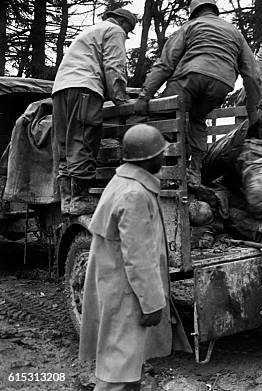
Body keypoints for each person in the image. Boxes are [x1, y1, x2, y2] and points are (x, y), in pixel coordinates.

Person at [79, 124, 191, 391]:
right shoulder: (134, 194)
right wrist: (152, 303)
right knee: (116, 373)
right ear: (148, 159)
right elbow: (139, 257)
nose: (164, 159)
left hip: (119, 287)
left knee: (128, 365)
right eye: (161, 154)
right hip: (127, 293)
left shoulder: (123, 183)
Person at [134, 0, 262, 187]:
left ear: (194, 12)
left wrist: (145, 95)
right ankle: (195, 173)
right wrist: (253, 112)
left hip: (191, 76)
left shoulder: (190, 27)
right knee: (197, 119)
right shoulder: (235, 32)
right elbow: (253, 75)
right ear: (214, 10)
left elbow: (165, 64)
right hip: (223, 83)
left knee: (165, 117)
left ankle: (163, 173)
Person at [52, 7, 136, 215]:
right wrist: (120, 99)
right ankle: (80, 198)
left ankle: (68, 201)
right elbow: (114, 65)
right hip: (84, 89)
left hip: (60, 89)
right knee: (83, 138)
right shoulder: (114, 31)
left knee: (66, 144)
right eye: (128, 29)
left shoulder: (91, 32)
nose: (126, 34)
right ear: (123, 22)